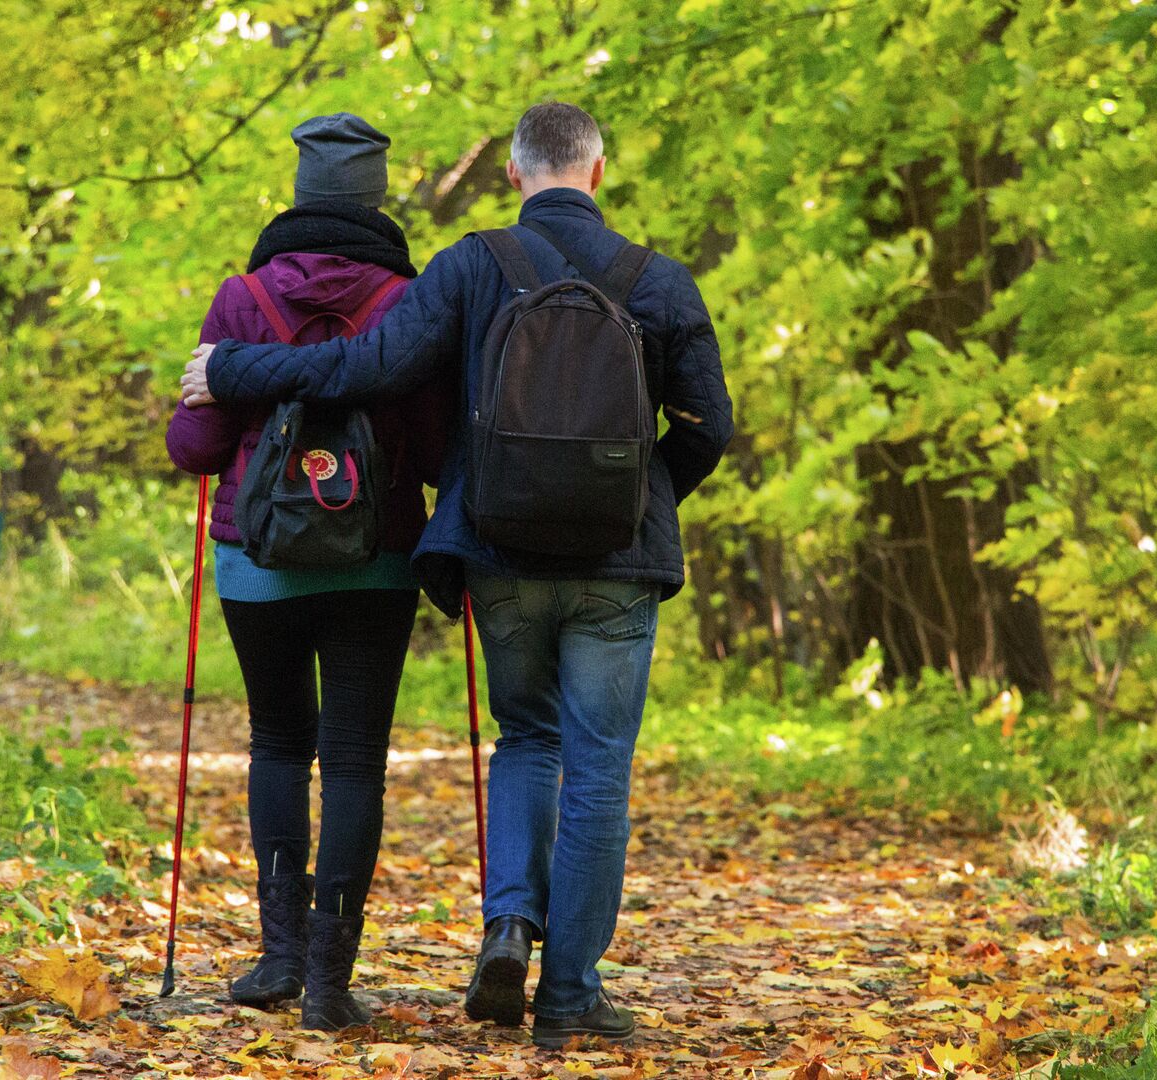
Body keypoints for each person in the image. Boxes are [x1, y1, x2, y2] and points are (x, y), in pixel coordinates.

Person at [181, 102, 734, 1049]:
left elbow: (369, 366)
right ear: (599, 173)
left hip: (503, 556)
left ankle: (508, 924)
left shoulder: (472, 266)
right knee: (598, 766)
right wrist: (643, 498)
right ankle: (570, 992)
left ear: (514, 176)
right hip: (616, 568)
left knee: (526, 737)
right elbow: (709, 427)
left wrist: (232, 366)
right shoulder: (660, 280)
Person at [164, 112, 448, 1031]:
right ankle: (332, 978)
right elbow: (441, 445)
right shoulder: (412, 303)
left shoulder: (243, 295)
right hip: (378, 554)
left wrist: (230, 388)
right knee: (356, 756)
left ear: (298, 190)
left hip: (260, 561)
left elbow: (197, 447)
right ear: (378, 195)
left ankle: (279, 956)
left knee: (280, 742)